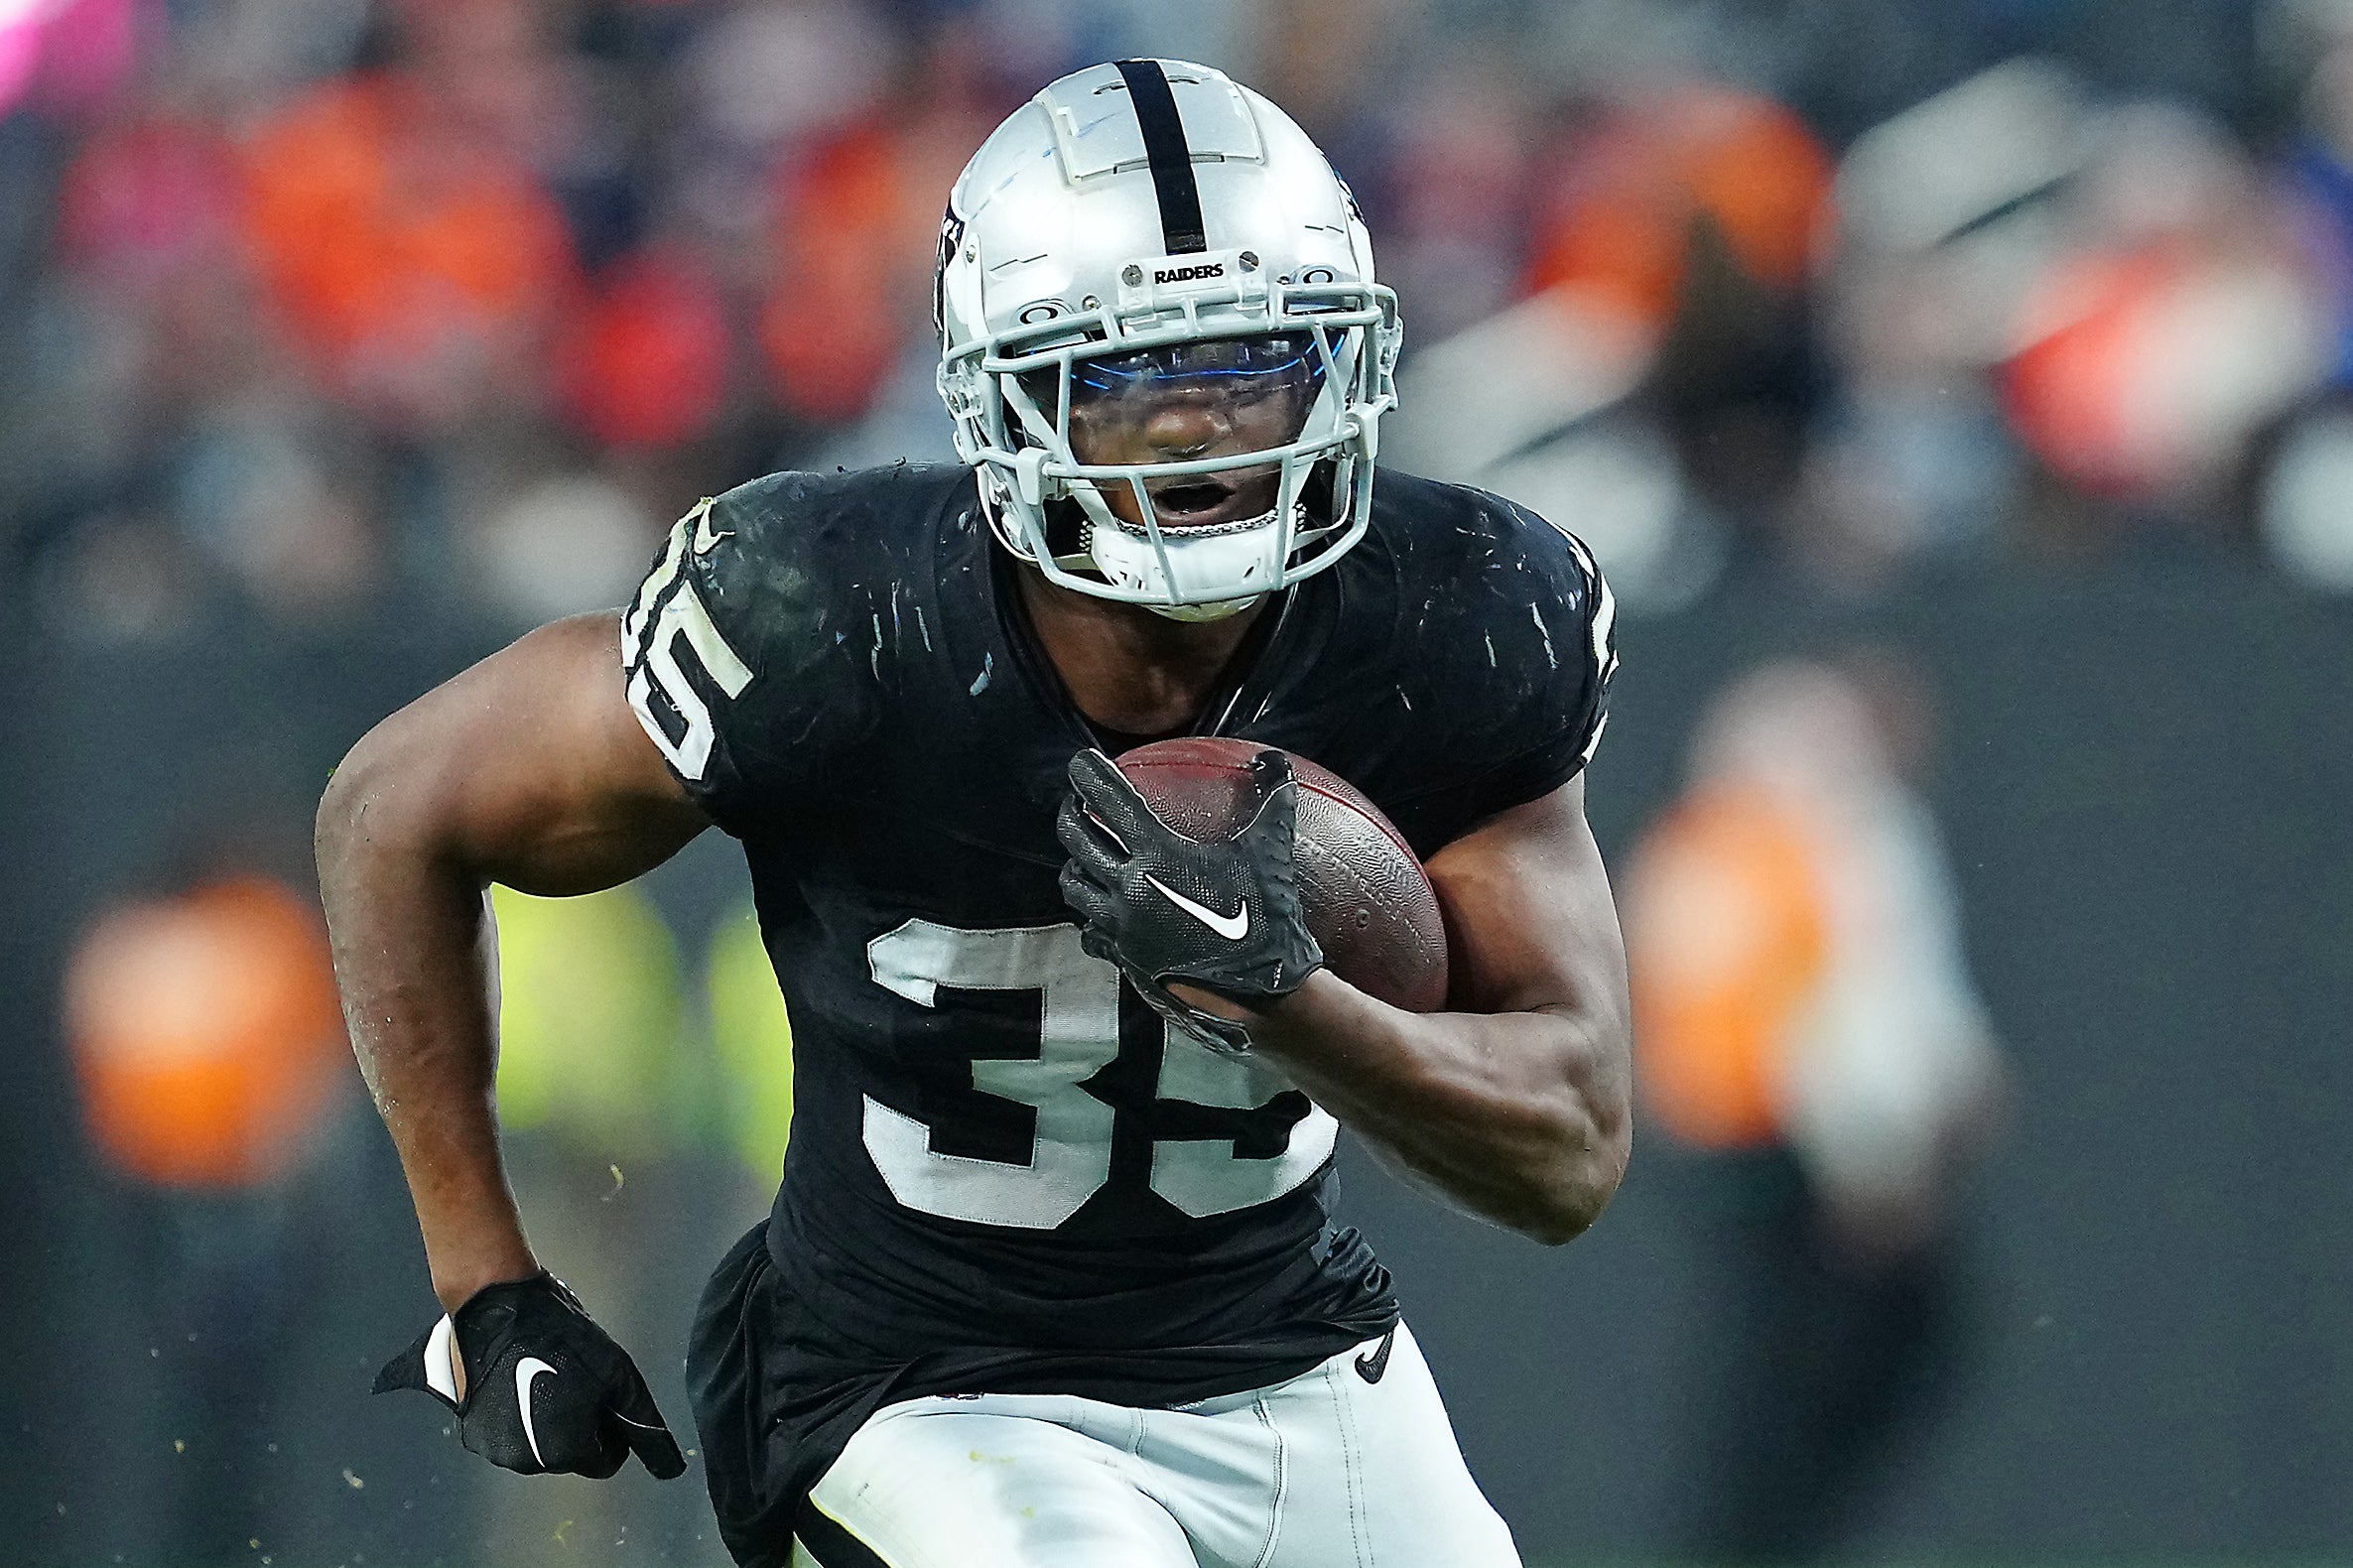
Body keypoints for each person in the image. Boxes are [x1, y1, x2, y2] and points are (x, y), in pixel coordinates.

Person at [317, 59, 1631, 1568]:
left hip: (1292, 1359)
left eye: (1257, 358)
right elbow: (392, 809)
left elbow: (1571, 1148)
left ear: (1340, 366)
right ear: (1005, 392)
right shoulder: (833, 617)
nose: (1206, 432)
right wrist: (486, 1290)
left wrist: (1297, 1006)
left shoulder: (1453, 622)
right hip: (919, 1387)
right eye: (1133, 377)